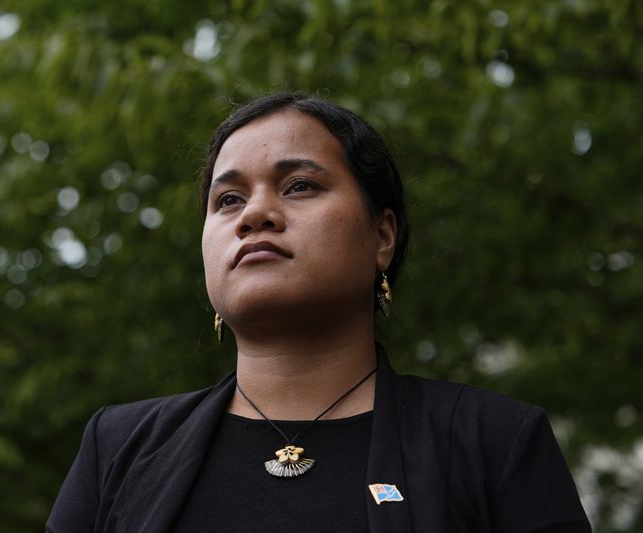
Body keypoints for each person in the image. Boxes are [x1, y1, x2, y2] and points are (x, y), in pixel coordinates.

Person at [46, 93, 591, 532]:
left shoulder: (494, 441)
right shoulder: (120, 447)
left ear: (382, 235)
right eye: (228, 200)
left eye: (299, 185)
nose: (255, 213)